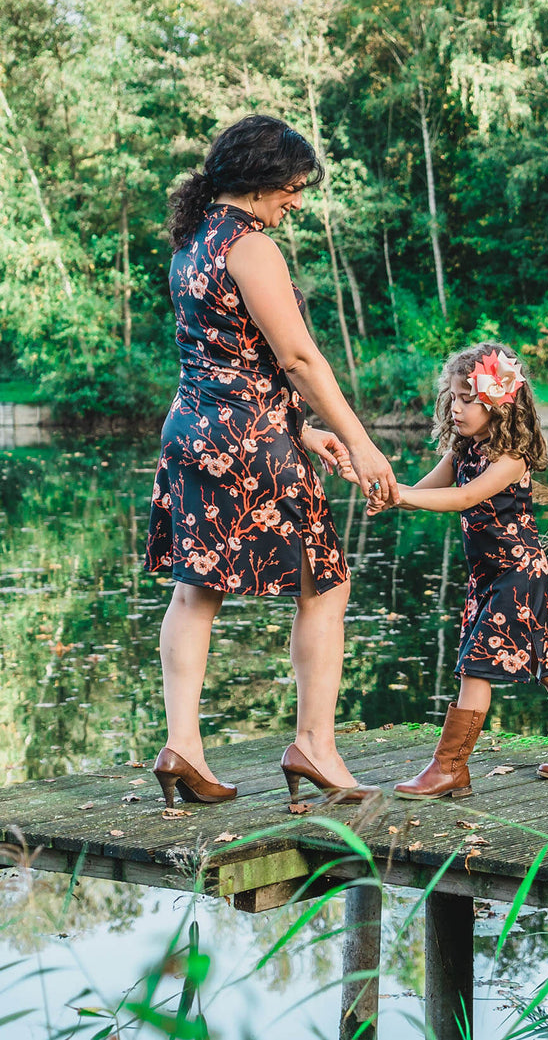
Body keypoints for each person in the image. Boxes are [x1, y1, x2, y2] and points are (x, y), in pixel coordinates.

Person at [145, 114, 398, 809]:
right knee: (326, 581)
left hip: (193, 428)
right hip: (247, 439)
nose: (297, 199)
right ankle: (314, 744)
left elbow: (230, 356)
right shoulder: (251, 247)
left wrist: (303, 430)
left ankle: (183, 748)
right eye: (292, 186)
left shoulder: (192, 243)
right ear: (259, 181)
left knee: (196, 590)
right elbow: (296, 357)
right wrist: (361, 438)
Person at [368, 343, 548, 798]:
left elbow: (463, 499)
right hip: (489, 577)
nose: (457, 408)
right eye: (454, 398)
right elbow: (425, 490)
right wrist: (385, 491)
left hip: (518, 573)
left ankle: (449, 768)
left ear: (500, 404)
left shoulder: (509, 459)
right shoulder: (464, 451)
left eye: (469, 399)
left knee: (475, 667)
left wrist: (402, 496)